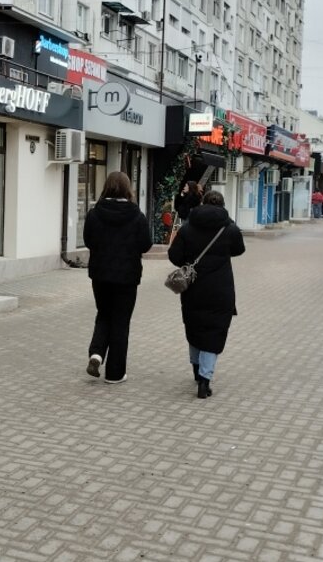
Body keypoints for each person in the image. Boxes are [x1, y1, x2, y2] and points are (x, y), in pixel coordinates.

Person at [168, 189, 246, 399]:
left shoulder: (188, 227)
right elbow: (239, 249)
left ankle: (196, 369)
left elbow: (174, 255)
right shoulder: (229, 228)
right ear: (222, 205)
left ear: (202, 203)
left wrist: (188, 261)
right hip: (221, 290)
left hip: (193, 289)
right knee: (214, 332)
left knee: (195, 327)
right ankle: (205, 380)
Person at [81, 171, 152, 384]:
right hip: (127, 277)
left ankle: (96, 353)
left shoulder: (94, 214)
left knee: (104, 313)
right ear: (128, 189)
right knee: (121, 321)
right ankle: (115, 373)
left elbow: (88, 240)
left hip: (100, 275)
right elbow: (146, 244)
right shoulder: (137, 216)